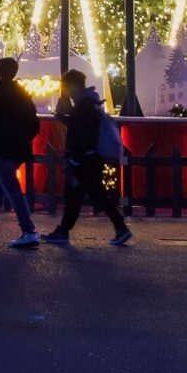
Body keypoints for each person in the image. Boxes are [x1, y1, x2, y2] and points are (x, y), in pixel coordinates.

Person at [46, 71, 131, 247]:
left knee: (87, 194)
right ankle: (65, 230)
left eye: (67, 87)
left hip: (84, 160)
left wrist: (74, 159)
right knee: (84, 195)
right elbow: (84, 127)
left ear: (74, 85)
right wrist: (65, 120)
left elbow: (82, 134)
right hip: (90, 158)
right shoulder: (90, 103)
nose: (67, 92)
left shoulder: (83, 106)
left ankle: (119, 227)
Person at [0, 56, 42, 250]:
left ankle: (28, 230)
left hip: (1, 146)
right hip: (19, 148)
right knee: (0, 185)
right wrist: (23, 138)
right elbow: (35, 124)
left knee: (10, 187)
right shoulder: (22, 94)